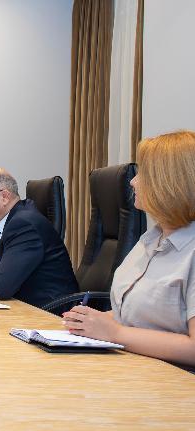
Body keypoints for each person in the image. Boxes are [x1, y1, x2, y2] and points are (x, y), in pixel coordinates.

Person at [62, 130, 195, 366]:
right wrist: (93, 321)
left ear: (170, 182)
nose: (133, 182)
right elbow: (137, 315)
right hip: (128, 366)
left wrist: (115, 333)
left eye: (143, 174)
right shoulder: (149, 239)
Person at [0, 168, 78, 308]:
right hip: (17, 304)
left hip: (49, 311)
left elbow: (0, 287)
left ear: (4, 197)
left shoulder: (25, 225)